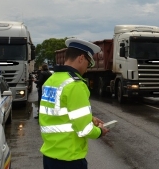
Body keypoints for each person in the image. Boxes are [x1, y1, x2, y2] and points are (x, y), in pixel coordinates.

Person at [39, 38, 109, 169]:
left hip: (49, 155)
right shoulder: (75, 85)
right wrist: (100, 131)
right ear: (81, 58)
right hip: (69, 159)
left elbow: (57, 114)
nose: (87, 69)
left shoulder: (51, 80)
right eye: (88, 63)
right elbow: (84, 130)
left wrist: (91, 118)